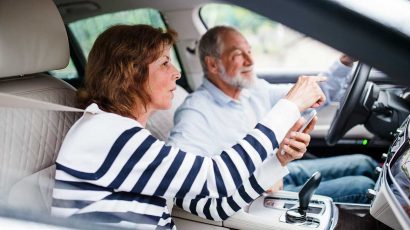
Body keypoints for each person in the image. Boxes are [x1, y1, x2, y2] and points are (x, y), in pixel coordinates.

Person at [50, 25, 326, 229]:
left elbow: (215, 206)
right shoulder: (108, 134)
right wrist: (289, 105)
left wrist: (278, 161)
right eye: (165, 63)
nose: (177, 72)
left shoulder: (117, 132)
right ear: (131, 73)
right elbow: (218, 177)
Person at [168, 26, 378, 206]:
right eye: (238, 55)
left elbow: (319, 95)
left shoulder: (255, 89)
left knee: (365, 163)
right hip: (257, 198)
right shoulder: (195, 113)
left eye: (249, 51)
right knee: (364, 187)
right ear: (213, 65)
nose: (250, 60)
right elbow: (180, 176)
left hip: (280, 168)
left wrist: (346, 61)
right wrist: (251, 182)